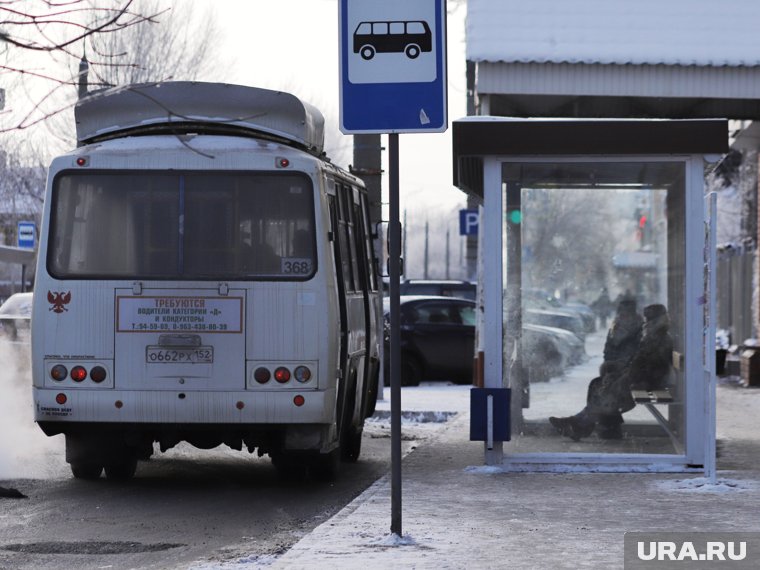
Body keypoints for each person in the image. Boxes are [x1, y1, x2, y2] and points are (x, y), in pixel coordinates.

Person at [549, 303, 673, 441]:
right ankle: (585, 425)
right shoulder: (653, 335)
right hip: (641, 378)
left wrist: (623, 376)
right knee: (598, 385)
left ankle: (580, 425)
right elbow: (637, 362)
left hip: (645, 382)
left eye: (649, 320)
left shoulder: (657, 338)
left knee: (606, 393)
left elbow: (648, 367)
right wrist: (618, 373)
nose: (646, 323)